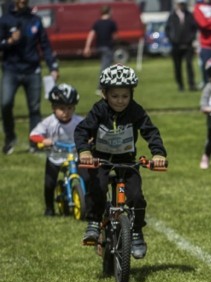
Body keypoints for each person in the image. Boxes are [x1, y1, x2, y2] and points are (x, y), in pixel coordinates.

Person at [75, 64, 167, 259]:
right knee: (97, 186)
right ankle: (93, 222)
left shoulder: (135, 110)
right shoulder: (99, 110)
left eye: (125, 96)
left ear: (131, 94)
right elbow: (82, 130)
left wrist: (158, 154)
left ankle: (136, 233)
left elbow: (150, 131)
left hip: (126, 159)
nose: (120, 101)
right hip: (100, 159)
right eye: (115, 96)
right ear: (105, 94)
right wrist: (84, 151)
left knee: (136, 196)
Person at [0, 0, 59, 155]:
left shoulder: (35, 20)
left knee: (34, 108)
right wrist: (10, 41)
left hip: (32, 70)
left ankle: (35, 142)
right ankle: (10, 138)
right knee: (5, 104)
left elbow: (45, 45)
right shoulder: (5, 19)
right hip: (11, 70)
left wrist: (53, 66)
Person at [29, 84, 84, 217]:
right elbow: (33, 135)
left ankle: (86, 202)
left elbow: (91, 130)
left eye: (70, 108)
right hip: (55, 156)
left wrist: (90, 139)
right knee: (49, 183)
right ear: (53, 108)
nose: (66, 112)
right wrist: (43, 140)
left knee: (87, 177)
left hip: (75, 155)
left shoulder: (79, 121)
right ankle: (49, 208)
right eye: (61, 108)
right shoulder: (49, 122)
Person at [165, 0, 199, 92]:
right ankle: (180, 85)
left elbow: (194, 29)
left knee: (189, 65)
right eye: (180, 4)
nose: (181, 6)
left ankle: (191, 85)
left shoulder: (189, 15)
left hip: (188, 45)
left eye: (183, 4)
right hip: (176, 45)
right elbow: (167, 29)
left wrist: (190, 39)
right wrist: (172, 40)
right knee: (177, 66)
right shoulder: (172, 16)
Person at [83, 5, 118, 89]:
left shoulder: (97, 23)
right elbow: (115, 36)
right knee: (105, 68)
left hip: (99, 47)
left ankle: (109, 85)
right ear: (109, 11)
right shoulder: (111, 23)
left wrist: (87, 47)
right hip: (108, 48)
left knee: (107, 66)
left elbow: (91, 35)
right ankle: (101, 87)